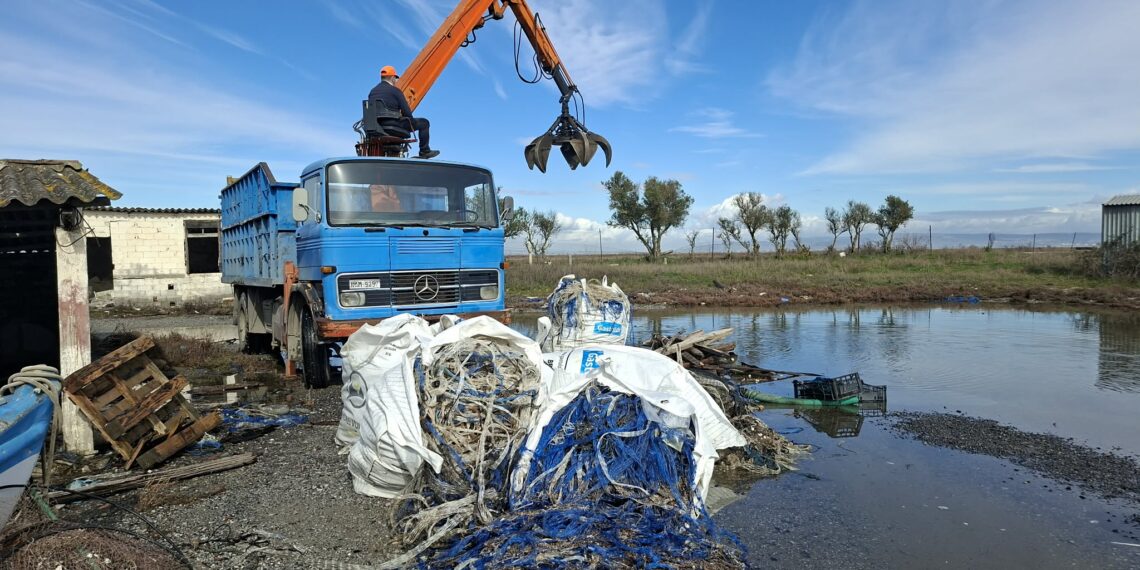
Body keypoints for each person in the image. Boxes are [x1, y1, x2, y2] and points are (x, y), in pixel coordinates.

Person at [368, 66, 440, 159]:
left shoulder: (372, 92)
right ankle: (424, 151)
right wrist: (412, 123)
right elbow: (407, 112)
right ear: (392, 77)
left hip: (377, 127)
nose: (396, 81)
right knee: (425, 123)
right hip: (393, 126)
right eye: (396, 78)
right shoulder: (396, 91)